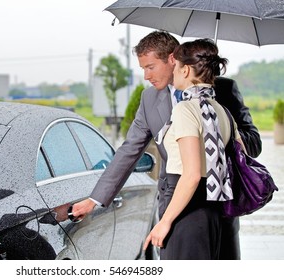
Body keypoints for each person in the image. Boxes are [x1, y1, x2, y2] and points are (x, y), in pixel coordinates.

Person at [72, 31, 261, 259]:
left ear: (173, 59)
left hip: (219, 208)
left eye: (150, 67)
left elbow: (254, 144)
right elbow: (129, 150)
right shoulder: (149, 99)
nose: (146, 76)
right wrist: (95, 199)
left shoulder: (221, 93)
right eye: (143, 69)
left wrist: (217, 132)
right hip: (175, 205)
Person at [142, 38, 247, 259]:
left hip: (185, 212)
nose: (175, 72)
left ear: (186, 69)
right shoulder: (221, 110)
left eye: (177, 67)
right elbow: (240, 156)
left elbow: (190, 175)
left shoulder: (185, 109)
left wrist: (165, 222)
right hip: (214, 213)